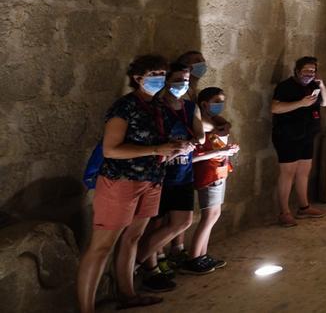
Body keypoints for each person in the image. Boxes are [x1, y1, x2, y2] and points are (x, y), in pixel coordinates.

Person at [77, 54, 193, 313]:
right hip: (121, 182)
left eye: (161, 75)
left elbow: (158, 143)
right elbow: (111, 149)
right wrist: (156, 149)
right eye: (152, 75)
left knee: (133, 237)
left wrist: (173, 148)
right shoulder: (124, 107)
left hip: (151, 181)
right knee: (102, 246)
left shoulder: (159, 107)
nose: (158, 80)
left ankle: (127, 294)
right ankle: (86, 308)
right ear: (137, 78)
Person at [136, 63, 204, 290]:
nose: (182, 85)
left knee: (182, 221)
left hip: (183, 173)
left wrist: (193, 141)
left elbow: (200, 135)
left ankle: (135, 261)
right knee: (155, 224)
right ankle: (149, 268)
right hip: (161, 173)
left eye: (186, 81)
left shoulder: (190, 107)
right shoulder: (157, 107)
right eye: (178, 80)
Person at [180, 87, 239, 275]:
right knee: (210, 216)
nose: (220, 105)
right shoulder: (200, 124)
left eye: (222, 101)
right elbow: (195, 154)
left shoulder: (215, 121)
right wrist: (220, 151)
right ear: (204, 104)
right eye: (216, 101)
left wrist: (226, 148)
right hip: (208, 174)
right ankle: (194, 258)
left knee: (214, 215)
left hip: (218, 172)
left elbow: (221, 135)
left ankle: (202, 256)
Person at [270, 56, 326, 226]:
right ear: (297, 70)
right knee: (288, 173)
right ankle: (284, 212)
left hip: (307, 135)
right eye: (306, 70)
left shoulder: (314, 86)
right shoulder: (285, 86)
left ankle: (304, 207)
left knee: (304, 171)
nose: (309, 73)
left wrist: (321, 84)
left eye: (312, 71)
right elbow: (275, 108)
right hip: (287, 135)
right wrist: (301, 103)